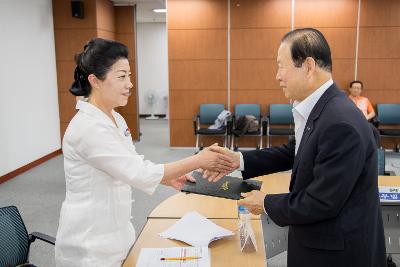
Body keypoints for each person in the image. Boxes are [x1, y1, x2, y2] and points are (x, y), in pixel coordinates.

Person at [206, 28, 386, 266]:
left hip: (337, 253)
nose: (277, 76)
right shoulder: (325, 108)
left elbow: (322, 202)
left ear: (308, 66)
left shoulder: (340, 122)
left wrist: (266, 203)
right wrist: (238, 160)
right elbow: (295, 152)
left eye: (281, 66)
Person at [55, 38, 234, 267]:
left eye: (129, 75)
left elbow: (132, 164)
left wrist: (169, 179)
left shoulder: (114, 117)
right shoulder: (88, 128)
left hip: (115, 234)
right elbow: (139, 173)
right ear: (95, 81)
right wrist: (199, 159)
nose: (130, 84)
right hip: (89, 246)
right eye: (121, 77)